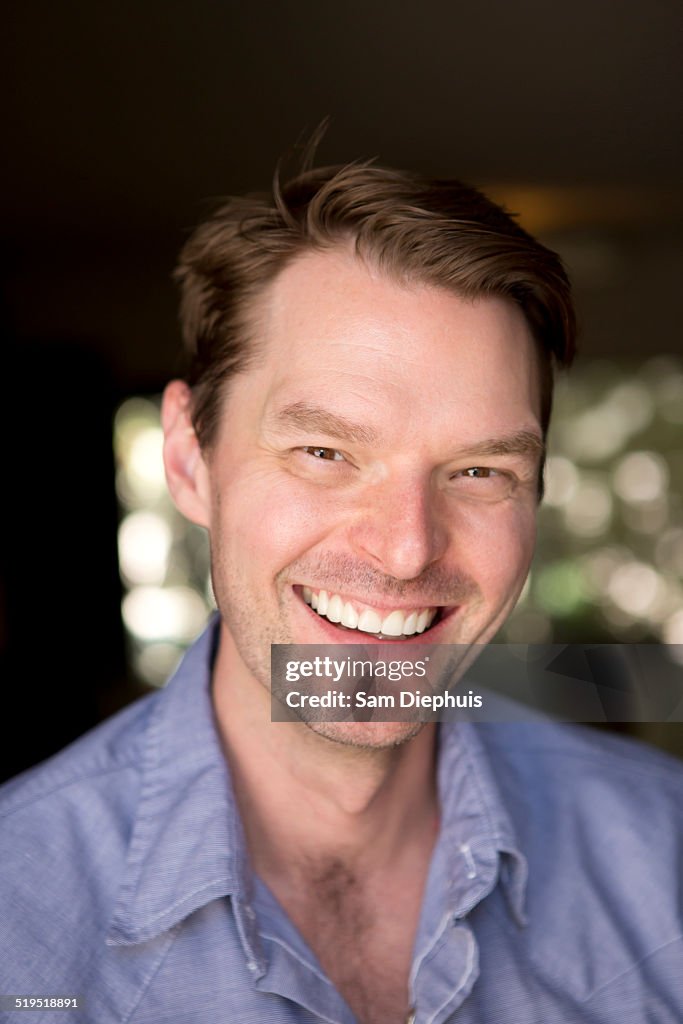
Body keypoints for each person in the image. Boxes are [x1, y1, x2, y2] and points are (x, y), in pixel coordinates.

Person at [1, 161, 682, 1024]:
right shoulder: (17, 926)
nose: (405, 550)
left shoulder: (665, 861)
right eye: (324, 453)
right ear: (188, 459)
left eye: (478, 470)